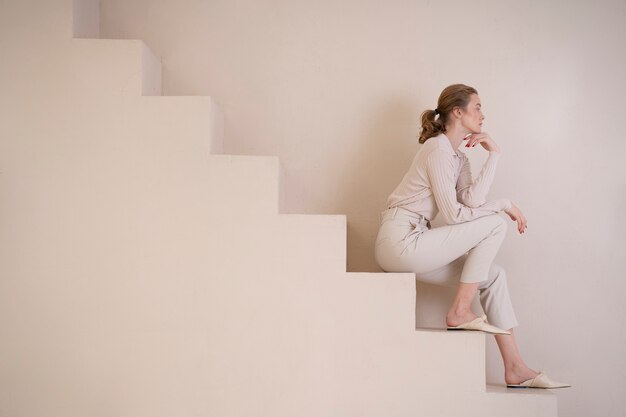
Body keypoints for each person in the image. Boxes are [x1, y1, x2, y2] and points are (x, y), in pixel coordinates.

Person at [374, 84, 570, 389]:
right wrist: (504, 205)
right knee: (495, 224)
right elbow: (453, 216)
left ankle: (515, 367)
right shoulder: (436, 148)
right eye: (477, 106)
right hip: (399, 242)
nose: (483, 114)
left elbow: (472, 203)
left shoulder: (458, 158)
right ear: (457, 112)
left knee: (494, 276)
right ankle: (460, 311)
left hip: (418, 241)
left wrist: (495, 154)